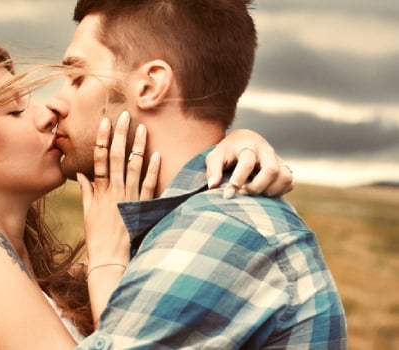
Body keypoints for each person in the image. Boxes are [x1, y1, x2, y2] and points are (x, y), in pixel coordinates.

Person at [0, 28, 292, 349]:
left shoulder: (37, 279)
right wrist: (108, 259)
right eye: (14, 110)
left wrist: (236, 143)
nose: (46, 112)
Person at [42, 0, 348, 348]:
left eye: (76, 77)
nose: (54, 103)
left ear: (149, 86)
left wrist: (107, 263)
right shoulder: (183, 226)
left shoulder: (219, 229)